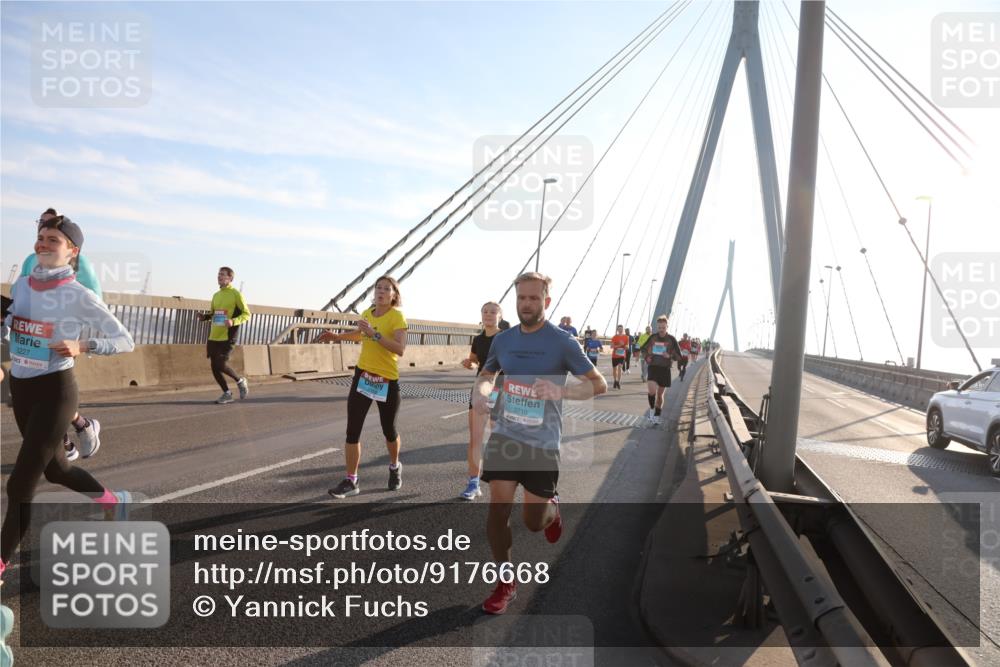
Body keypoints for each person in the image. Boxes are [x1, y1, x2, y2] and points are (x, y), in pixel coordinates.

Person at [1, 216, 134, 586]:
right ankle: (113, 502)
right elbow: (12, 325)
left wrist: (84, 345)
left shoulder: (78, 294)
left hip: (56, 391)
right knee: (56, 470)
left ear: (72, 251)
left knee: (21, 485)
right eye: (40, 238)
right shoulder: (23, 284)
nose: (43, 244)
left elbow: (124, 339)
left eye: (53, 240)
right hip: (22, 388)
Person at [472, 272, 607, 614]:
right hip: (506, 434)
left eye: (533, 298)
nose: (526, 304)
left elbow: (598, 384)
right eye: (521, 298)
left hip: (542, 442)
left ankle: (552, 510)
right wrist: (482, 393)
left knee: (533, 522)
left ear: (546, 301)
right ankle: (506, 582)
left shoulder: (563, 342)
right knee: (497, 511)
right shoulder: (503, 340)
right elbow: (488, 375)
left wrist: (561, 391)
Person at [21, 208, 101, 461]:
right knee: (37, 395)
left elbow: (94, 296)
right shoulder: (28, 260)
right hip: (31, 335)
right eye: (40, 223)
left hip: (62, 337)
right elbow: (22, 297)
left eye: (49, 224)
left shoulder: (79, 262)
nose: (42, 227)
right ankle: (80, 426)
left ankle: (66, 442)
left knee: (49, 395)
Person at [322, 276, 408, 499]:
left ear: (393, 295)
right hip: (363, 376)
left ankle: (394, 465)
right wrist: (337, 336)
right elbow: (360, 335)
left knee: (389, 430)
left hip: (386, 380)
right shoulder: (368, 313)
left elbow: (400, 349)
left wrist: (374, 334)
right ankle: (352, 480)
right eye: (378, 287)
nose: (381, 291)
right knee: (353, 430)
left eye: (386, 289)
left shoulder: (397, 316)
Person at [460, 302, 504, 501]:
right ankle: (473, 484)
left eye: (493, 312)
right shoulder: (477, 339)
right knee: (475, 439)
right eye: (485, 311)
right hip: (479, 389)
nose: (488, 314)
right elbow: (475, 361)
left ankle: (501, 480)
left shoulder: (505, 338)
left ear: (500, 316)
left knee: (498, 437)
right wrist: (469, 363)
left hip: (498, 389)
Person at [201, 267, 251, 404]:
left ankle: (240, 381)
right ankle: (227, 393)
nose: (219, 276)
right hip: (214, 335)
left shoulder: (236, 294)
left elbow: (247, 314)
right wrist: (204, 317)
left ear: (230, 278)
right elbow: (214, 314)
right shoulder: (216, 295)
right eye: (218, 274)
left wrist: (233, 321)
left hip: (228, 335)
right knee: (214, 366)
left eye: (222, 275)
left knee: (220, 364)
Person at [639, 315, 681, 425]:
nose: (661, 330)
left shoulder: (671, 339)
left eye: (663, 327)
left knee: (660, 396)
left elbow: (679, 356)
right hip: (653, 367)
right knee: (652, 391)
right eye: (659, 328)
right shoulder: (653, 337)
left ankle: (657, 415)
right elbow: (643, 349)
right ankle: (652, 410)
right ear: (657, 327)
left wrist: (669, 356)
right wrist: (647, 356)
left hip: (664, 369)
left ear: (667, 327)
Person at [610, 324, 630, 390]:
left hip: (622, 355)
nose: (620, 330)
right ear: (617, 330)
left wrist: (624, 346)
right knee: (614, 369)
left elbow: (627, 347)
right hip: (615, 356)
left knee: (620, 367)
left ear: (623, 330)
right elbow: (611, 346)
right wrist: (619, 345)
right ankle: (615, 380)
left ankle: (618, 381)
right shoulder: (614, 337)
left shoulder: (626, 337)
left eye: (621, 329)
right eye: (619, 329)